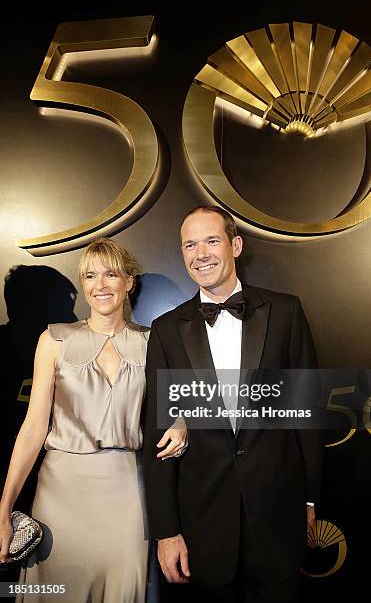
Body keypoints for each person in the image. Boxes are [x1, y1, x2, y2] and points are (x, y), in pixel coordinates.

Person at [142, 206, 323, 603]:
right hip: (202, 523)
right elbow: (158, 438)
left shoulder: (286, 312)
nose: (199, 253)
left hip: (277, 513)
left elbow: (306, 411)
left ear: (235, 245)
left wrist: (310, 498)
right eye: (189, 244)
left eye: (211, 240)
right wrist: (166, 530)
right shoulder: (167, 330)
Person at [0, 238, 187, 603]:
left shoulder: (154, 343)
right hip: (60, 498)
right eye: (90, 276)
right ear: (82, 286)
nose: (100, 285)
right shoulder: (54, 340)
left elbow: (178, 407)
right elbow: (34, 428)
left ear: (128, 282)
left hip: (128, 496)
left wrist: (183, 423)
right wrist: (4, 507)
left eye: (110, 274)